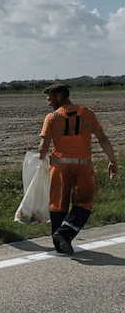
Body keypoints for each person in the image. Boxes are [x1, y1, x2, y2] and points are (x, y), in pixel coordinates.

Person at [38, 84, 118, 255]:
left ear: (59, 96)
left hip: (59, 168)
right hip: (83, 166)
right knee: (84, 203)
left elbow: (43, 148)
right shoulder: (88, 113)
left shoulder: (51, 117)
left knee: (58, 204)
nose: (48, 103)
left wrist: (39, 160)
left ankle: (59, 242)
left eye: (50, 99)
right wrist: (112, 160)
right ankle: (65, 234)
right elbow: (102, 138)